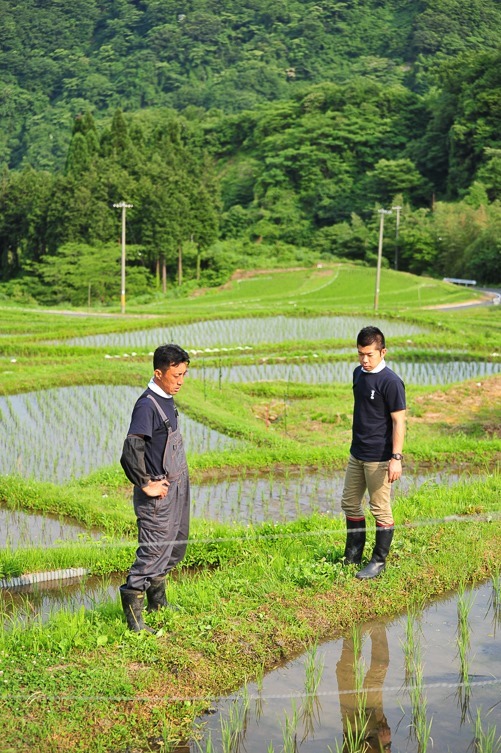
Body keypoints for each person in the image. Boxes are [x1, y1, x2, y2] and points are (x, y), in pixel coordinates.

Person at [119, 343, 191, 632]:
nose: (181, 382)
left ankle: (157, 603)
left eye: (184, 374)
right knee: (152, 552)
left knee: (173, 545)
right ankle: (135, 621)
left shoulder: (166, 398)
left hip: (175, 488)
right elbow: (131, 449)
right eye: (176, 376)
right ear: (158, 373)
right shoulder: (148, 405)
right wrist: (146, 483)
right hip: (158, 495)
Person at [341, 326, 406, 579]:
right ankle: (353, 555)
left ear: (383, 351)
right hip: (357, 453)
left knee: (380, 509)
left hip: (379, 457)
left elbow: (399, 421)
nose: (364, 360)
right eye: (360, 354)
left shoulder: (391, 382)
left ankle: (378, 562)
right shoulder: (358, 373)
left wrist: (396, 458)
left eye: (369, 354)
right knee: (349, 503)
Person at [336, 624, 392, 752]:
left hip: (353, 729)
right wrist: (385, 745)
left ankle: (354, 625)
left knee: (346, 672)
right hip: (375, 728)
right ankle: (377, 621)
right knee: (379, 669)